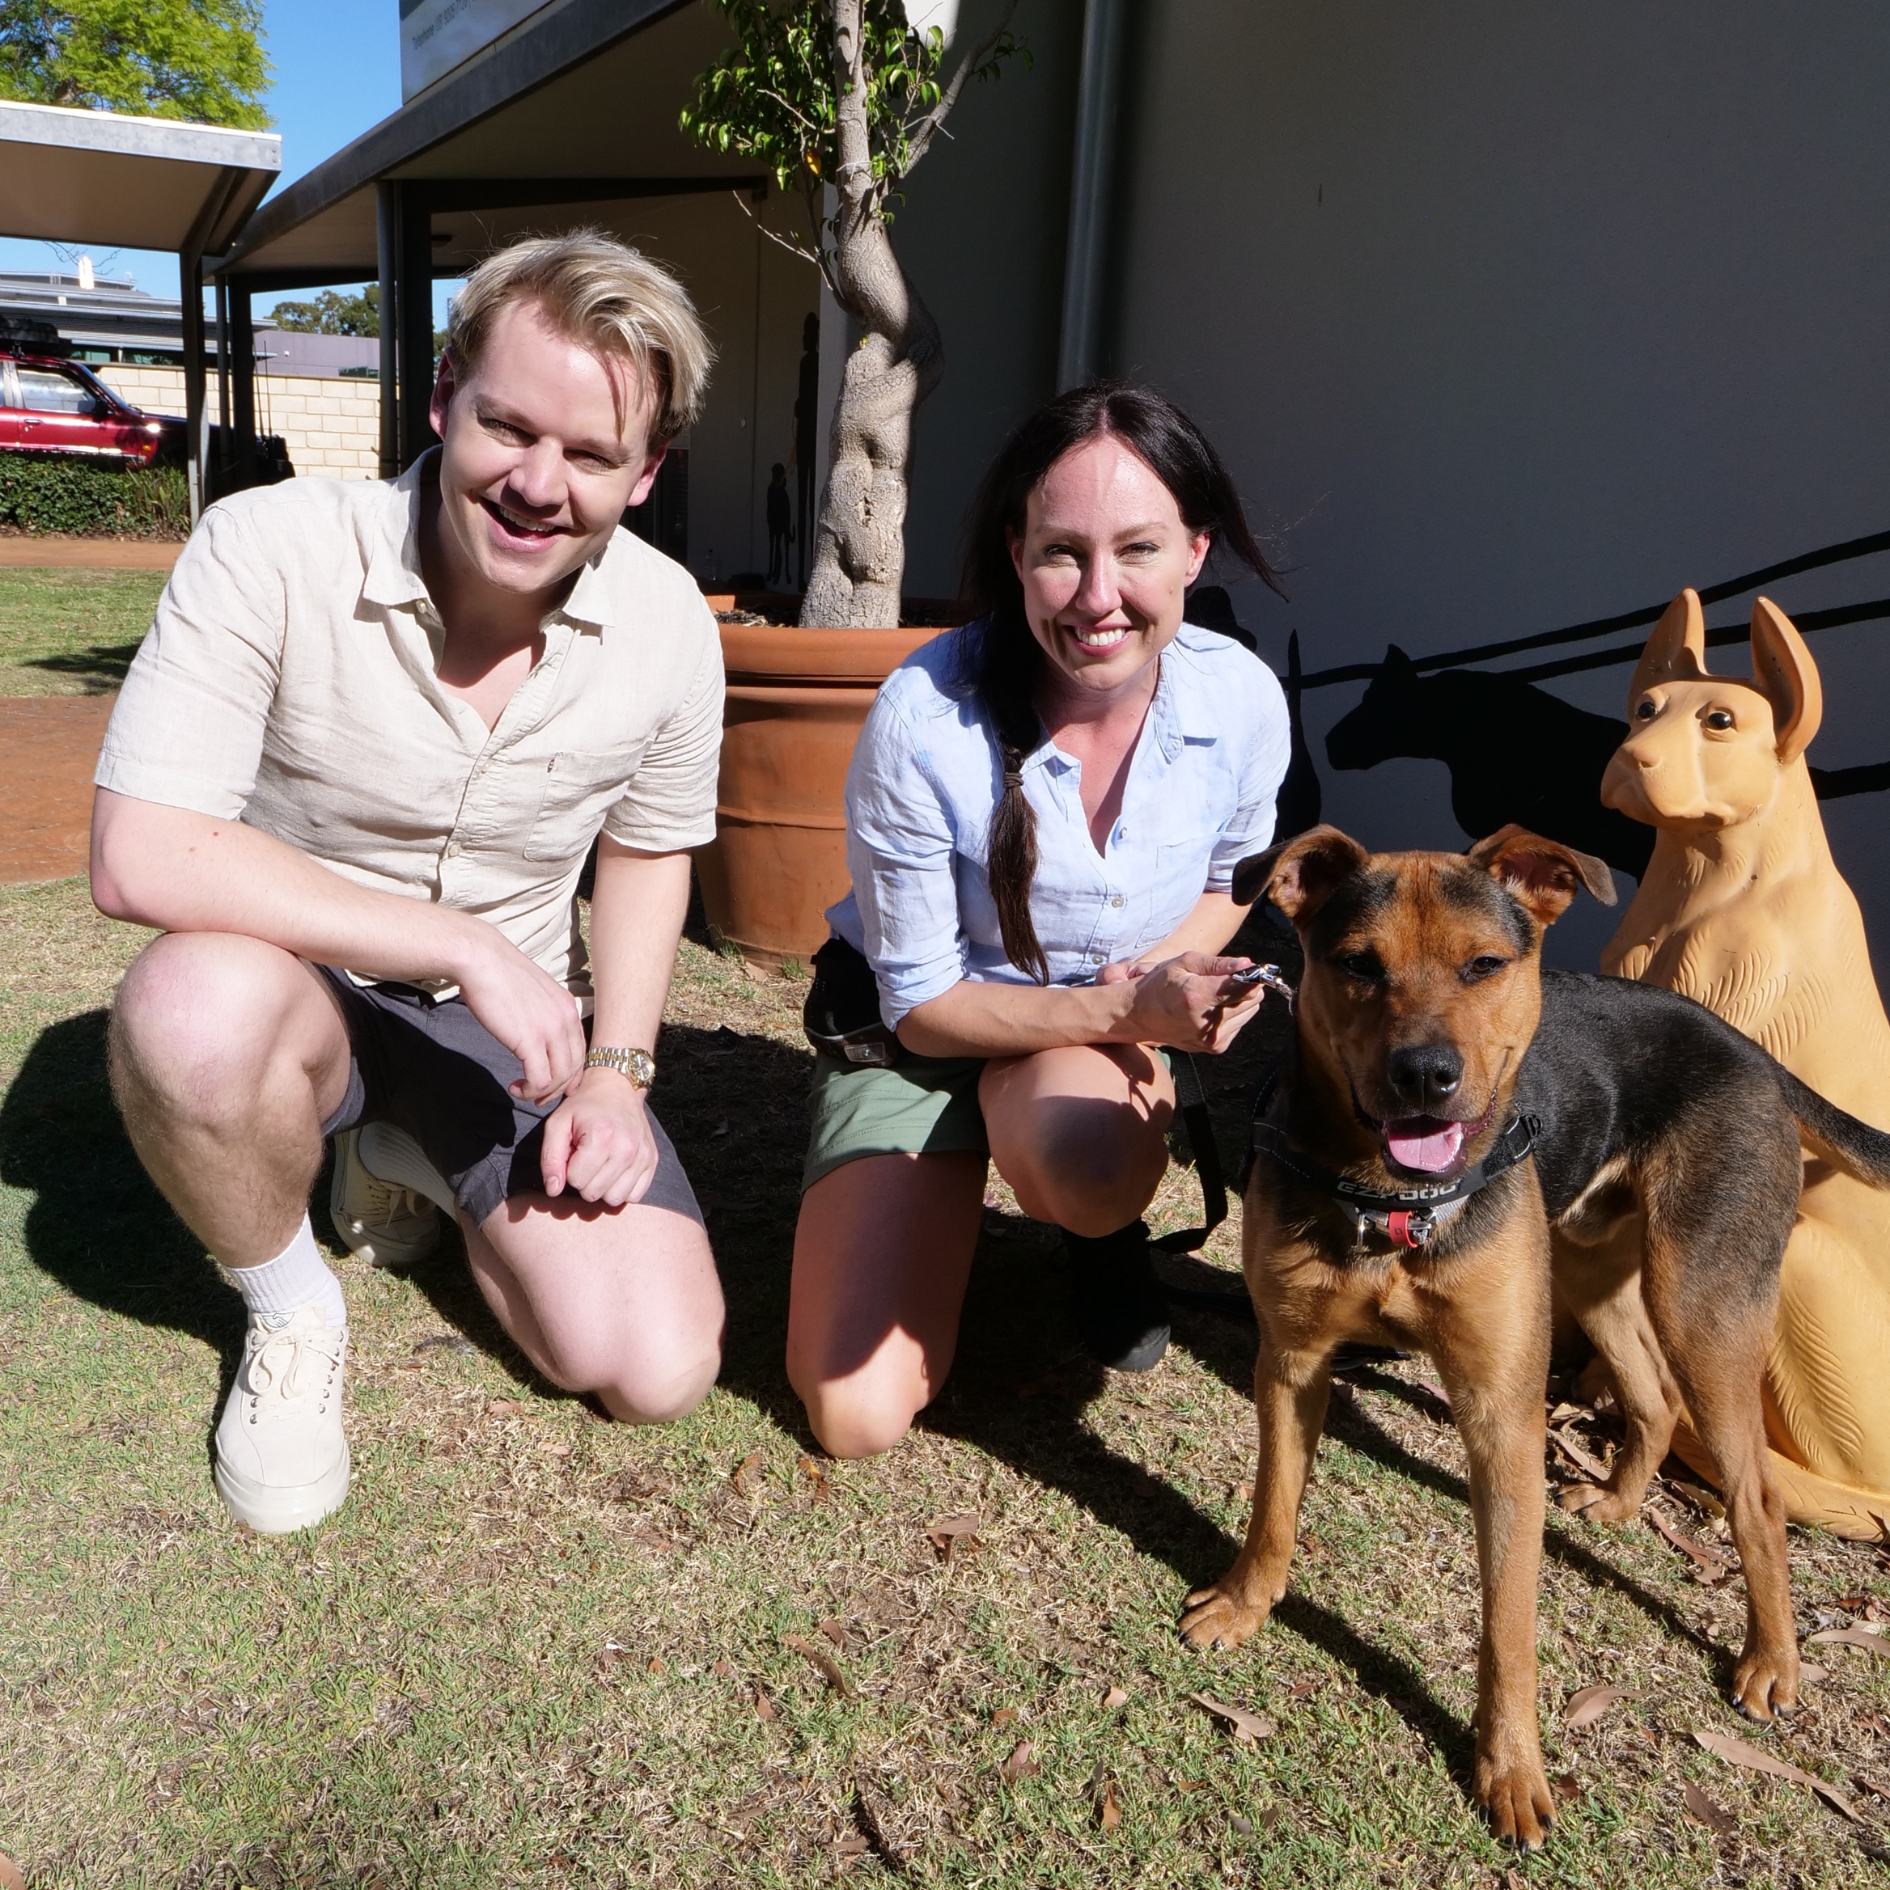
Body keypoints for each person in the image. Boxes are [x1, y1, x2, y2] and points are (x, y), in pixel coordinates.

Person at [89, 232, 727, 1535]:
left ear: (645, 472)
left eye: (593, 455)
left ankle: (396, 1152)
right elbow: (139, 850)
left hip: (496, 1037)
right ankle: (290, 1304)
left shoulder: (670, 625)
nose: (538, 484)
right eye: (509, 426)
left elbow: (652, 852)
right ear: (444, 397)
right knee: (189, 1008)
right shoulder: (266, 546)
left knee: (650, 1365)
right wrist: (458, 940)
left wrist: (616, 1066)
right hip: (289, 982)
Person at [787, 382, 1292, 1459]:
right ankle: (923, 1170)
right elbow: (921, 1009)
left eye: (1140, 549)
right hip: (919, 1037)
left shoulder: (1242, 700)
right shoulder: (927, 718)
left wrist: (1159, 993)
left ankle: (1093, 1227)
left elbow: (1232, 877)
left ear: (1196, 552)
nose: (1099, 595)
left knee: (1085, 1163)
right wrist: (1131, 1007)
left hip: (1097, 1030)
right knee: (855, 1414)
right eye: (1063, 551)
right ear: (1015, 551)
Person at [765, 460, 793, 586]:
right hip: (774, 522)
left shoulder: (780, 491)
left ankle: (782, 571)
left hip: (782, 523)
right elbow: (771, 507)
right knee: (775, 548)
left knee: (780, 549)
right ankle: (773, 570)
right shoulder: (773, 489)